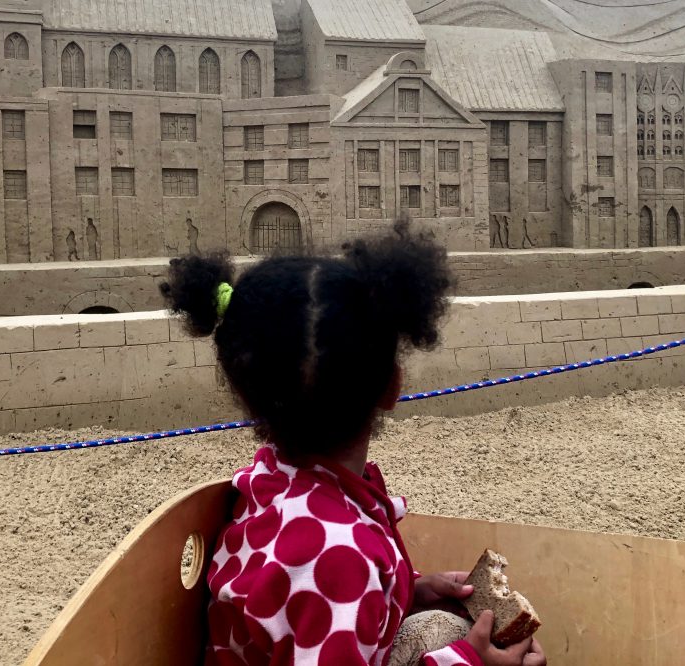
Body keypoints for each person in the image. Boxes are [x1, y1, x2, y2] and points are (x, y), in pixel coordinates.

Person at [160, 223, 546, 666]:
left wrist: (407, 591)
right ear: (392, 386)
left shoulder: (269, 482)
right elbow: (328, 584)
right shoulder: (341, 557)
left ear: (248, 395)